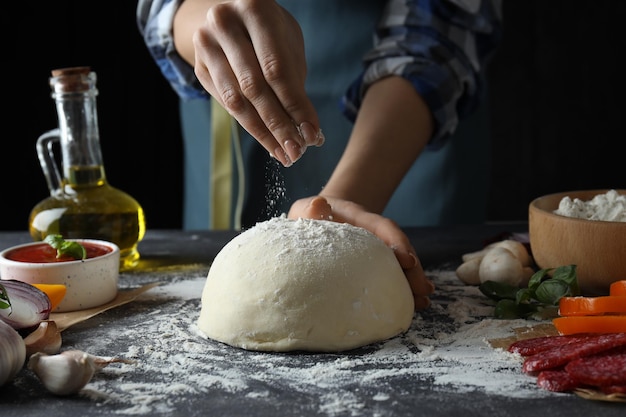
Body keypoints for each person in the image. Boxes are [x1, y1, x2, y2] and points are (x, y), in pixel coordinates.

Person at [136, 0, 502, 310]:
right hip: (228, 125)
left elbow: (437, 38)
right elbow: (159, 9)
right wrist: (212, 22)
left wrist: (339, 204)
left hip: (402, 131)